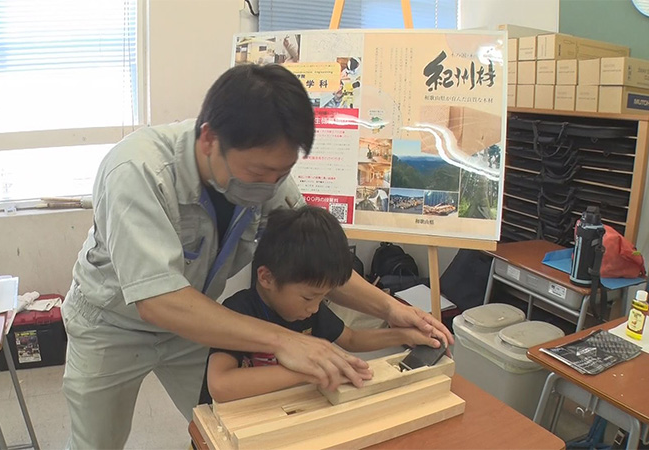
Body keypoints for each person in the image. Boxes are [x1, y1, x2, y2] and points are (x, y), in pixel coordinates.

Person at [61, 63, 453, 449]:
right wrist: (285, 341)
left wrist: (390, 308)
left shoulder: (270, 179)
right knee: (96, 443)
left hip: (194, 319)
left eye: (281, 173)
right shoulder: (137, 170)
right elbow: (158, 300)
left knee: (226, 428)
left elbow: (314, 262)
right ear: (209, 139)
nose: (270, 185)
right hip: (110, 324)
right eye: (258, 172)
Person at [201, 206, 446, 404]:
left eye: (324, 297)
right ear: (267, 278)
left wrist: (404, 335)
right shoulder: (238, 312)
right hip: (227, 427)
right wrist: (307, 371)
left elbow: (351, 339)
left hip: (281, 413)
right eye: (309, 298)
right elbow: (220, 385)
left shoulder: (307, 311)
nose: (315, 308)